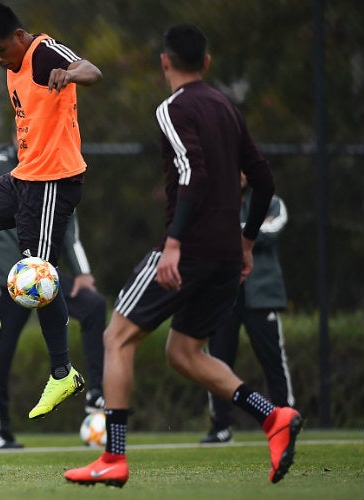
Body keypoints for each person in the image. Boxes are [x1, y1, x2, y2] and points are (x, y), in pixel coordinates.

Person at [64, 24, 302, 488]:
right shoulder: (227, 108)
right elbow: (263, 179)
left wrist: (173, 244)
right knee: (184, 351)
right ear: (207, 63)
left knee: (116, 337)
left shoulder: (172, 108)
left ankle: (112, 457)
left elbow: (192, 172)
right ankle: (274, 417)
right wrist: (247, 242)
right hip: (225, 256)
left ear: (164, 62)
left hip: (187, 249)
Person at [0, 2, 102, 420]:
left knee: (37, 276)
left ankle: (63, 373)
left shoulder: (43, 51)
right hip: (24, 177)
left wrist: (71, 73)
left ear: (19, 36)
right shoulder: (12, 68)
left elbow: (92, 71)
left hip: (54, 182)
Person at [0, 145, 106, 449]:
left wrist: (81, 270)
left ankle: (94, 393)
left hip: (42, 275)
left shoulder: (55, 168)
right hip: (4, 279)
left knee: (93, 305)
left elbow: (69, 224)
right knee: (0, 354)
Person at [202, 176, 294, 443]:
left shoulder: (271, 203)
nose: (238, 172)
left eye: (242, 167)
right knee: (216, 360)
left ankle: (285, 419)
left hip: (261, 295)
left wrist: (231, 230)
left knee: (273, 360)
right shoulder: (215, 204)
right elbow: (207, 234)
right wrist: (251, 229)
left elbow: (273, 229)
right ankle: (221, 427)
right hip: (224, 295)